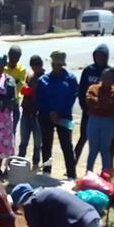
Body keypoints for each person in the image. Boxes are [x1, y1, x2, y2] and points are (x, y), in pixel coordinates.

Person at [36, 50, 79, 179]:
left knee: (67, 145)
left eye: (59, 64)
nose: (57, 67)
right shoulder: (43, 80)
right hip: (46, 116)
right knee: (46, 144)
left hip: (65, 116)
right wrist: (51, 112)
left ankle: (71, 173)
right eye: (55, 64)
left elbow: (72, 98)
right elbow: (39, 99)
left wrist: (59, 113)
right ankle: (47, 171)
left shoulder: (71, 79)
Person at [75, 44, 110, 164]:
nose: (100, 58)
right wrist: (85, 108)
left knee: (102, 144)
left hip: (103, 115)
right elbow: (81, 92)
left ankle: (105, 169)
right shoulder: (88, 70)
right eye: (97, 56)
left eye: (102, 56)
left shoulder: (110, 71)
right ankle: (72, 164)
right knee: (83, 138)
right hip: (88, 113)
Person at [85, 68, 114, 172]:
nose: (107, 80)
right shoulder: (93, 88)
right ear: (101, 78)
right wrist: (106, 103)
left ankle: (105, 173)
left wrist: (99, 103)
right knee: (93, 149)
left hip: (108, 121)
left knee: (105, 149)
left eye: (110, 78)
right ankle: (88, 172)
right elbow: (89, 101)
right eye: (105, 77)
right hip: (94, 120)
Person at [17, 55, 44, 169]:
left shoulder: (44, 78)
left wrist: (30, 91)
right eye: (33, 66)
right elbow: (23, 90)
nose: (35, 68)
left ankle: (35, 164)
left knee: (37, 144)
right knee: (23, 142)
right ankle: (19, 164)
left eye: (37, 66)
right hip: (26, 113)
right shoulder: (30, 76)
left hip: (37, 115)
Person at [5, 45, 27, 133]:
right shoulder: (2, 67)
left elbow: (19, 87)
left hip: (14, 103)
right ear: (8, 56)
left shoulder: (21, 69)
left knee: (12, 131)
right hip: (2, 103)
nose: (14, 60)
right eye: (12, 57)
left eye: (16, 58)